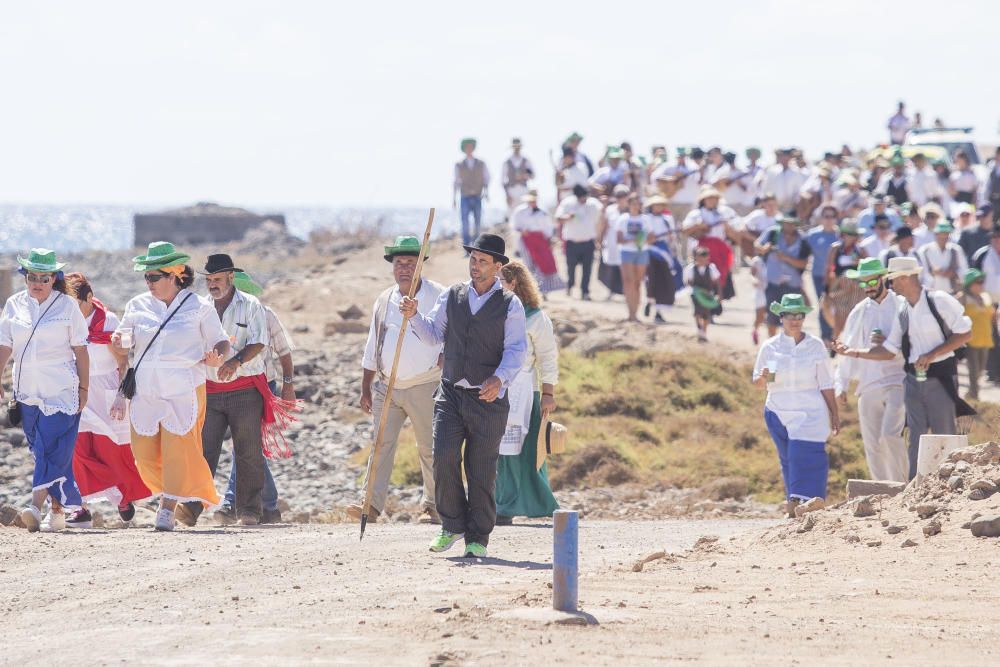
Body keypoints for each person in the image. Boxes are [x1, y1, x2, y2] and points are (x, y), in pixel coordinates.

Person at [401, 233, 527, 558]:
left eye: (483, 261)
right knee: (442, 455)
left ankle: (478, 537)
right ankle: (452, 524)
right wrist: (414, 315)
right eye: (473, 259)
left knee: (481, 468)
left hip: (488, 399)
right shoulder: (453, 296)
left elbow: (515, 351)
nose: (476, 265)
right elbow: (432, 335)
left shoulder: (510, 305)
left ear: (498, 266)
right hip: (451, 392)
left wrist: (499, 379)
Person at [109, 242, 229, 532]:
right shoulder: (137, 305)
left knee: (179, 450)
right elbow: (124, 342)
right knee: (145, 454)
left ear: (174, 275)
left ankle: (168, 507)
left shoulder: (199, 307)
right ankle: (174, 493)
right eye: (146, 277)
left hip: (183, 387)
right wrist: (119, 344)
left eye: (153, 277)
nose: (148, 282)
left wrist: (217, 356)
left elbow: (221, 340)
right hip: (146, 388)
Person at [175, 254, 277, 528]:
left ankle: (249, 511)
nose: (212, 285)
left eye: (217, 279)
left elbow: (259, 342)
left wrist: (235, 362)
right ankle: (193, 506)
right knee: (203, 449)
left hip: (245, 390)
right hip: (210, 390)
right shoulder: (200, 307)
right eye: (208, 280)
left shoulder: (251, 305)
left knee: (248, 451)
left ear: (231, 277)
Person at [350, 236, 445, 525]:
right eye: (399, 263)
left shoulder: (440, 295)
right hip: (387, 385)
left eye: (410, 263)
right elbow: (373, 344)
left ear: (421, 265)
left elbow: (451, 334)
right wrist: (365, 386)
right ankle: (371, 505)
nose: (404, 268)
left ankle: (434, 505)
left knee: (429, 447)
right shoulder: (384, 298)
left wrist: (449, 357)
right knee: (380, 444)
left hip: (425, 383)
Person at [851, 257, 973, 480]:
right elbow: (889, 350)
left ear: (905, 278)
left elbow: (965, 332)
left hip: (941, 374)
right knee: (915, 436)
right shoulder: (903, 310)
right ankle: (916, 486)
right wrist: (854, 353)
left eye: (893, 280)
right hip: (913, 377)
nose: (891, 285)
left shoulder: (939, 300)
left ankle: (951, 483)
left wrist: (932, 354)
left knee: (943, 430)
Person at [0, 249, 89, 533]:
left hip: (61, 389)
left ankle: (35, 509)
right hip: (26, 390)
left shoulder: (67, 306)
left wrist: (84, 387)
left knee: (48, 446)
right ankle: (58, 511)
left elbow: (81, 350)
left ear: (54, 278)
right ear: (25, 277)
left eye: (44, 277)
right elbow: (5, 345)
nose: (37, 282)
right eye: (32, 277)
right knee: (44, 451)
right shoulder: (14, 305)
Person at [64, 273, 150, 528]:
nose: (72, 310)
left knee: (112, 453)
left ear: (89, 298)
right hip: (77, 391)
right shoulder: (66, 323)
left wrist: (122, 397)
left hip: (108, 394)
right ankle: (81, 508)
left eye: (76, 303)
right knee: (76, 451)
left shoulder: (109, 322)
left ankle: (122, 497)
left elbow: (124, 364)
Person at [217, 271, 296, 524]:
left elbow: (284, 350)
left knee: (246, 445)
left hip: (261, 386)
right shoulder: (214, 314)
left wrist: (288, 385)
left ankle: (231, 503)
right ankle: (270, 506)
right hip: (223, 387)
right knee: (248, 447)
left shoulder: (264, 313)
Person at [753, 294, 839, 517]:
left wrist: (835, 414)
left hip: (809, 412)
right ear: (781, 317)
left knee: (805, 456)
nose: (795, 319)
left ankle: (804, 506)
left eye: (799, 315)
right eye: (790, 315)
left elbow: (826, 383)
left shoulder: (815, 345)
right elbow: (759, 383)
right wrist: (762, 378)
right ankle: (796, 507)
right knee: (788, 460)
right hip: (777, 411)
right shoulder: (770, 347)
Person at [831, 259, 907, 482]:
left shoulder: (901, 305)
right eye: (864, 283)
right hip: (868, 383)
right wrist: (841, 384)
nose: (869, 287)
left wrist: (888, 343)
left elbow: (909, 345)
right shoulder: (859, 311)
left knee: (890, 436)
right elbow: (848, 346)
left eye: (873, 281)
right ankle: (881, 491)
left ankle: (902, 487)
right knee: (872, 443)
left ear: (883, 278)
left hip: (898, 378)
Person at [495, 261, 559, 524]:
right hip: (498, 387)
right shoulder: (494, 312)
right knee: (499, 449)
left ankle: (538, 503)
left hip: (526, 390)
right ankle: (502, 506)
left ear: (514, 283)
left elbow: (547, 356)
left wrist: (548, 393)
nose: (497, 285)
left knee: (529, 449)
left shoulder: (535, 318)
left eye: (501, 281)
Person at [755, 214, 811, 337]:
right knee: (772, 316)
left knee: (793, 318)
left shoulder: (803, 240)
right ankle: (772, 342)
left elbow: (803, 264)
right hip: (773, 282)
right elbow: (757, 245)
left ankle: (790, 343)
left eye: (791, 223)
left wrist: (785, 258)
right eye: (786, 223)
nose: (788, 226)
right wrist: (764, 249)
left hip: (793, 284)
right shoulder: (772, 234)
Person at [683, 186, 738, 300]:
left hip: (719, 249)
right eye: (709, 199)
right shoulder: (696, 214)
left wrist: (727, 227)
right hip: (702, 249)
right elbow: (685, 230)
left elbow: (733, 232)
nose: (712, 201)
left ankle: (717, 298)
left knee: (717, 275)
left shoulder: (723, 213)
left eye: (714, 199)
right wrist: (698, 226)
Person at [510, 193, 564, 295]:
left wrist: (550, 240)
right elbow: (514, 225)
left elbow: (548, 227)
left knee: (542, 264)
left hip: (541, 241)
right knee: (529, 264)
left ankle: (543, 290)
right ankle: (530, 288)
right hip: (526, 240)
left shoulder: (543, 212)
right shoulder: (520, 211)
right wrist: (522, 231)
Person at [555, 184, 602, 300]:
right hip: (572, 242)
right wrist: (568, 217)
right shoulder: (567, 203)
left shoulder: (593, 203)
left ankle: (585, 292)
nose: (583, 199)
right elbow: (559, 218)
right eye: (581, 197)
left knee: (587, 269)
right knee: (571, 267)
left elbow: (602, 212)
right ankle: (570, 286)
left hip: (588, 242)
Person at [821, 220, 866, 341]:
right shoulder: (835, 249)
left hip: (856, 289)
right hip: (840, 287)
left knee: (856, 317)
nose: (852, 238)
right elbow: (829, 268)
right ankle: (835, 341)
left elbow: (867, 268)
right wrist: (826, 287)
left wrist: (859, 262)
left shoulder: (860, 250)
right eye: (850, 234)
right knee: (838, 315)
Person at [616, 193, 655, 322]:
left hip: (641, 252)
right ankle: (630, 313)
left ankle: (635, 313)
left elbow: (651, 237)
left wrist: (643, 239)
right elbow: (619, 239)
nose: (635, 206)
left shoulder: (646, 219)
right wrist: (634, 239)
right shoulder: (623, 219)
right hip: (627, 252)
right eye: (633, 203)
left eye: (637, 204)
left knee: (637, 283)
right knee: (628, 282)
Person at [805, 206, 841, 342]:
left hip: (836, 277)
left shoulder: (840, 235)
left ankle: (835, 335)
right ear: (821, 218)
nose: (829, 219)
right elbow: (803, 253)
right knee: (823, 304)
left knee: (836, 306)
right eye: (826, 216)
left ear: (836, 218)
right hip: (818, 275)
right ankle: (826, 337)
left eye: (832, 216)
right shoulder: (813, 235)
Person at [958, 269, 995, 400]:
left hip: (985, 338)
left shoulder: (986, 297)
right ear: (969, 285)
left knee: (980, 370)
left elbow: (992, 316)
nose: (980, 284)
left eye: (981, 282)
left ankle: (970, 394)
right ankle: (974, 397)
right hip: (970, 340)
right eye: (977, 282)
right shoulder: (962, 298)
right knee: (973, 371)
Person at [644, 194, 680, 323]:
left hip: (664, 253)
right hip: (650, 252)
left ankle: (658, 311)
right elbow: (644, 237)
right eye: (656, 205)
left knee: (664, 281)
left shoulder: (667, 219)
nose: (658, 207)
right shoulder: (646, 218)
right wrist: (649, 238)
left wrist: (672, 244)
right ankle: (649, 301)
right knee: (651, 280)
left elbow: (672, 238)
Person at [454, 137, 490, 247]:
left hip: (477, 196)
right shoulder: (459, 164)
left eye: (470, 147)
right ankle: (466, 246)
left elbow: (486, 179)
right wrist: (453, 198)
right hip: (464, 196)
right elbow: (455, 182)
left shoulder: (481, 163)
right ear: (464, 149)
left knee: (477, 223)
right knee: (465, 223)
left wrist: (487, 193)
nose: (469, 149)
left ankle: (476, 246)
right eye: (467, 147)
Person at [595, 184, 628, 298]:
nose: (621, 198)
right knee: (610, 267)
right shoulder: (610, 210)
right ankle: (611, 291)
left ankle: (625, 291)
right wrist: (599, 239)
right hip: (611, 243)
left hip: (626, 244)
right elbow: (604, 225)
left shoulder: (631, 210)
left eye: (623, 196)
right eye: (618, 196)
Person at [918, 222, 967, 294]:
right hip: (931, 292)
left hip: (953, 293)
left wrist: (954, 273)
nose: (943, 237)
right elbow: (921, 272)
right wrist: (933, 272)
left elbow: (964, 270)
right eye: (941, 234)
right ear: (935, 234)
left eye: (946, 234)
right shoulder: (924, 250)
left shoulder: (956, 250)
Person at [684, 247, 721, 342]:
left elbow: (717, 282)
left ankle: (703, 332)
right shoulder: (691, 269)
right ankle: (699, 329)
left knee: (706, 314)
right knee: (697, 312)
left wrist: (719, 295)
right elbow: (688, 282)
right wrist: (698, 290)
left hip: (708, 295)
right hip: (696, 294)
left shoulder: (711, 268)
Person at [756, 148, 805, 215]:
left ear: (790, 158)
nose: (784, 159)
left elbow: (799, 190)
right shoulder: (772, 171)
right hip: (774, 209)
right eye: (781, 156)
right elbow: (766, 188)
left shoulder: (796, 172)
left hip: (791, 208)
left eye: (786, 156)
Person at [502, 138, 534, 216]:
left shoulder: (526, 161)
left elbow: (532, 175)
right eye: (515, 146)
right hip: (511, 190)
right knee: (512, 214)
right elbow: (503, 180)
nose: (517, 148)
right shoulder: (507, 162)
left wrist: (525, 176)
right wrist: (507, 195)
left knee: (525, 213)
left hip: (524, 190)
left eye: (518, 146)